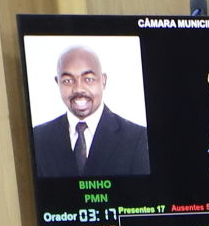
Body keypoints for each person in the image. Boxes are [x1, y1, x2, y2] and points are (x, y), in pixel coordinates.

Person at [29, 46, 150, 179]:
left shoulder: (137, 137)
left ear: (103, 81)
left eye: (89, 79)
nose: (79, 89)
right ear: (58, 83)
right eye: (68, 81)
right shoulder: (38, 138)